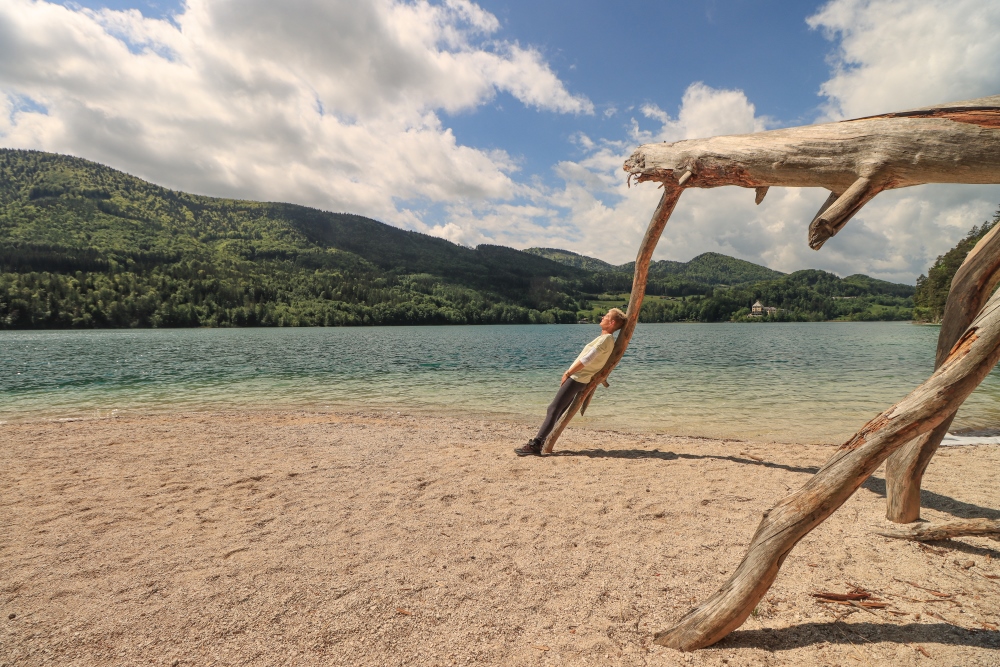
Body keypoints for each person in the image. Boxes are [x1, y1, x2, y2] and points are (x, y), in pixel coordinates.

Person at [514, 308, 627, 456]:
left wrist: (568, 373)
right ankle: (541, 442)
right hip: (581, 378)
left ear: (612, 322)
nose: (602, 317)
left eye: (606, 316)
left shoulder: (605, 339)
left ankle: (536, 444)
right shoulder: (605, 339)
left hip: (577, 378)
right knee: (558, 410)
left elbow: (586, 360)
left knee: (553, 409)